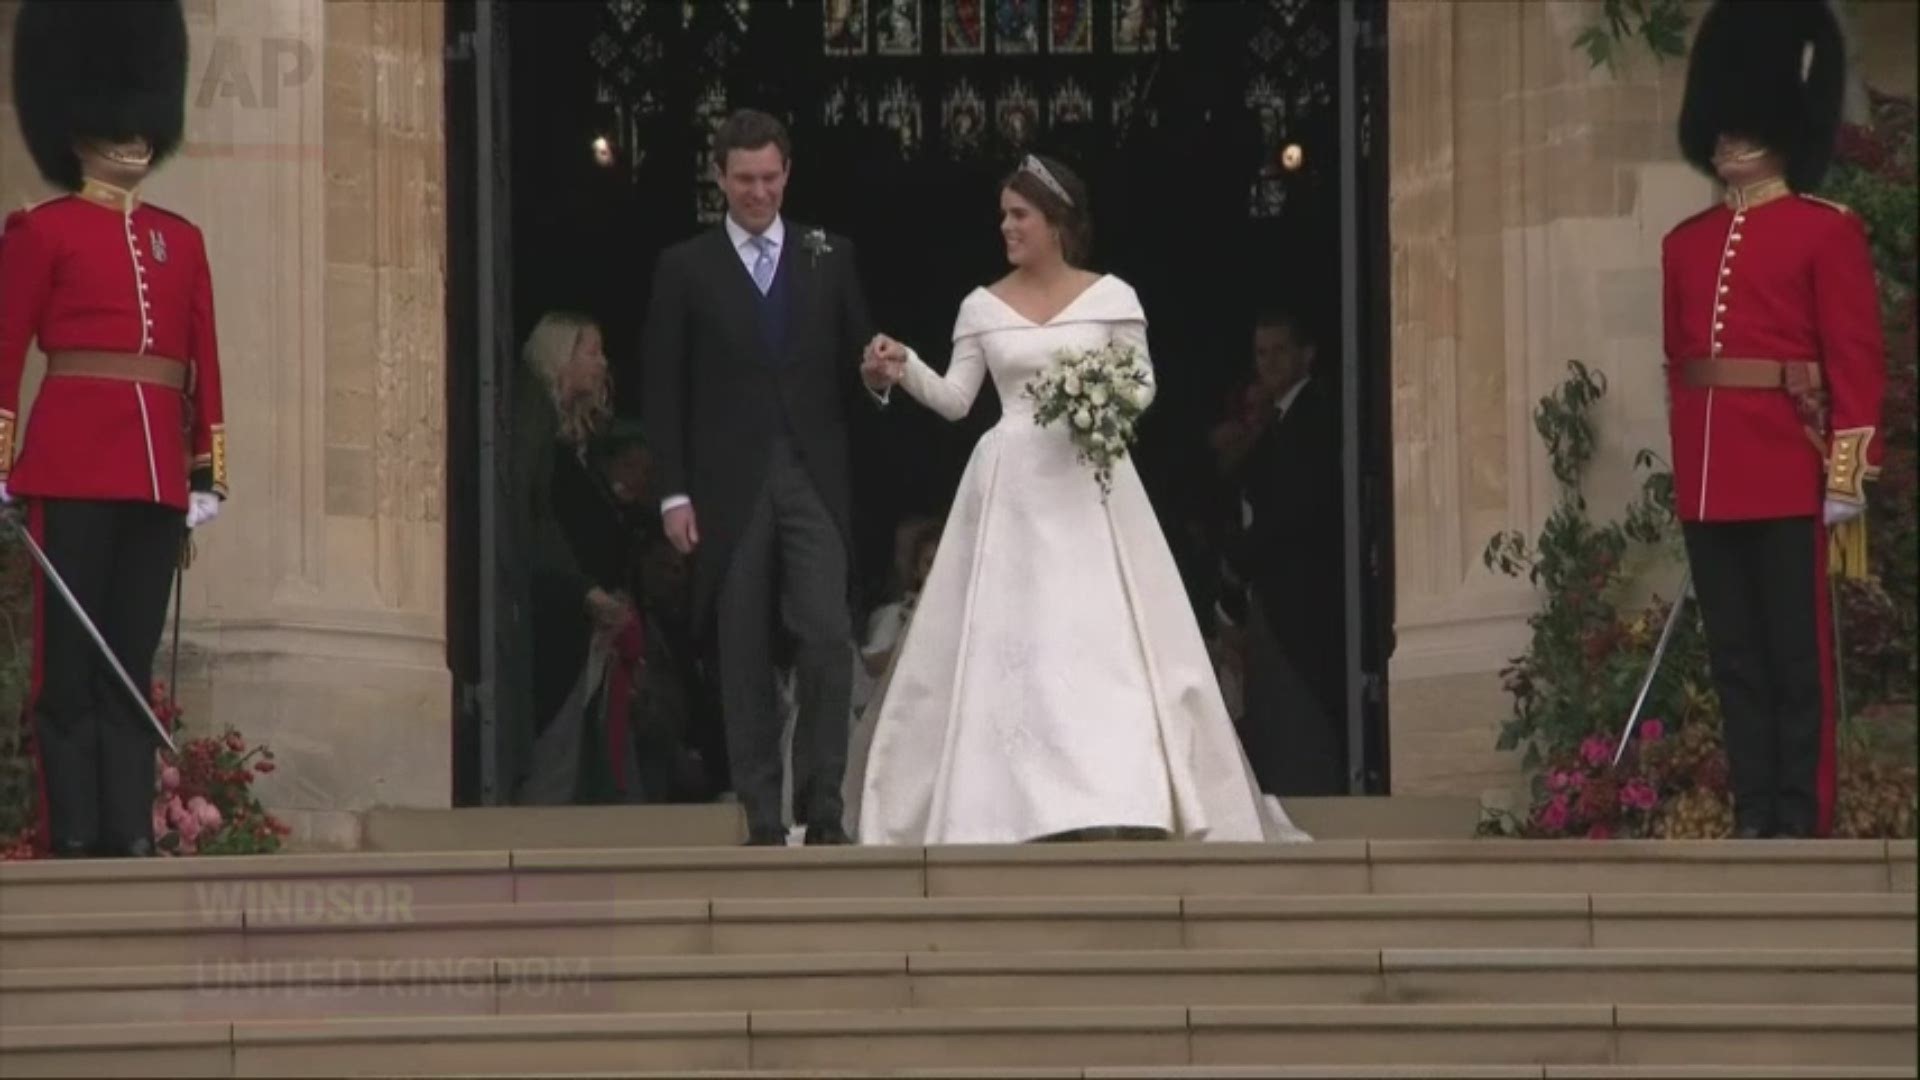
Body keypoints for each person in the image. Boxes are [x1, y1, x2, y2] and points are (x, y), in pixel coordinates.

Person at [855, 154, 1309, 845]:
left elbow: (1144, 384)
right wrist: (901, 368)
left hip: (1089, 485)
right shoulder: (981, 305)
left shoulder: (1112, 297)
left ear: (1057, 222)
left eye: (1020, 215)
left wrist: (1098, 393)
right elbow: (955, 401)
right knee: (1014, 642)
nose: (1006, 226)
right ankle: (1007, 803)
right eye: (1003, 214)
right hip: (1009, 487)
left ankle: (1116, 793)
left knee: (1099, 642)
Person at [0, 0, 226, 858]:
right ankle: (77, 837)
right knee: (68, 674)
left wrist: (209, 471)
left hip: (157, 478)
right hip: (68, 466)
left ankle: (127, 831)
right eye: (114, 120)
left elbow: (204, 366)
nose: (133, 137)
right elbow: (5, 355)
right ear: (76, 125)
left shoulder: (182, 241)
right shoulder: (39, 233)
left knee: (128, 666)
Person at [1664, 0, 1885, 839]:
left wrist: (1845, 475)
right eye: (1717, 129)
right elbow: (1678, 368)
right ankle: (1756, 811)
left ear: (1782, 128)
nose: (1724, 141)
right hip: (1712, 474)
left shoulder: (1825, 233)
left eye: (1741, 127)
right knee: (1736, 660)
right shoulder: (1683, 244)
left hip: (1788, 467)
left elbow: (1857, 362)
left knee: (1797, 661)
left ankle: (1800, 814)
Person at [640, 109, 889, 846]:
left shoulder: (829, 255)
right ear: (719, 177)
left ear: (788, 174)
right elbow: (663, 386)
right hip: (726, 481)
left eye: (770, 178)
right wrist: (673, 492)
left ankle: (824, 806)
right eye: (744, 179)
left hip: (813, 474)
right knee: (740, 645)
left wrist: (876, 377)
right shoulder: (685, 267)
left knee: (825, 635)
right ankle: (760, 811)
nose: (758, 192)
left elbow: (859, 363)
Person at [1215, 309, 1346, 796]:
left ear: (1306, 355)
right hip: (1273, 593)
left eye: (1279, 351)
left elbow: (1299, 505)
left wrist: (1238, 555)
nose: (1267, 363)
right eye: (1260, 353)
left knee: (1298, 712)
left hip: (1301, 593)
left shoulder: (1313, 412)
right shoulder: (1277, 420)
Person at [512, 312, 639, 805]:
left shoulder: (569, 438)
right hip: (552, 620)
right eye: (592, 351)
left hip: (580, 623)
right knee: (552, 766)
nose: (602, 364)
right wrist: (586, 591)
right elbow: (531, 517)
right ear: (560, 356)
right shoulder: (532, 416)